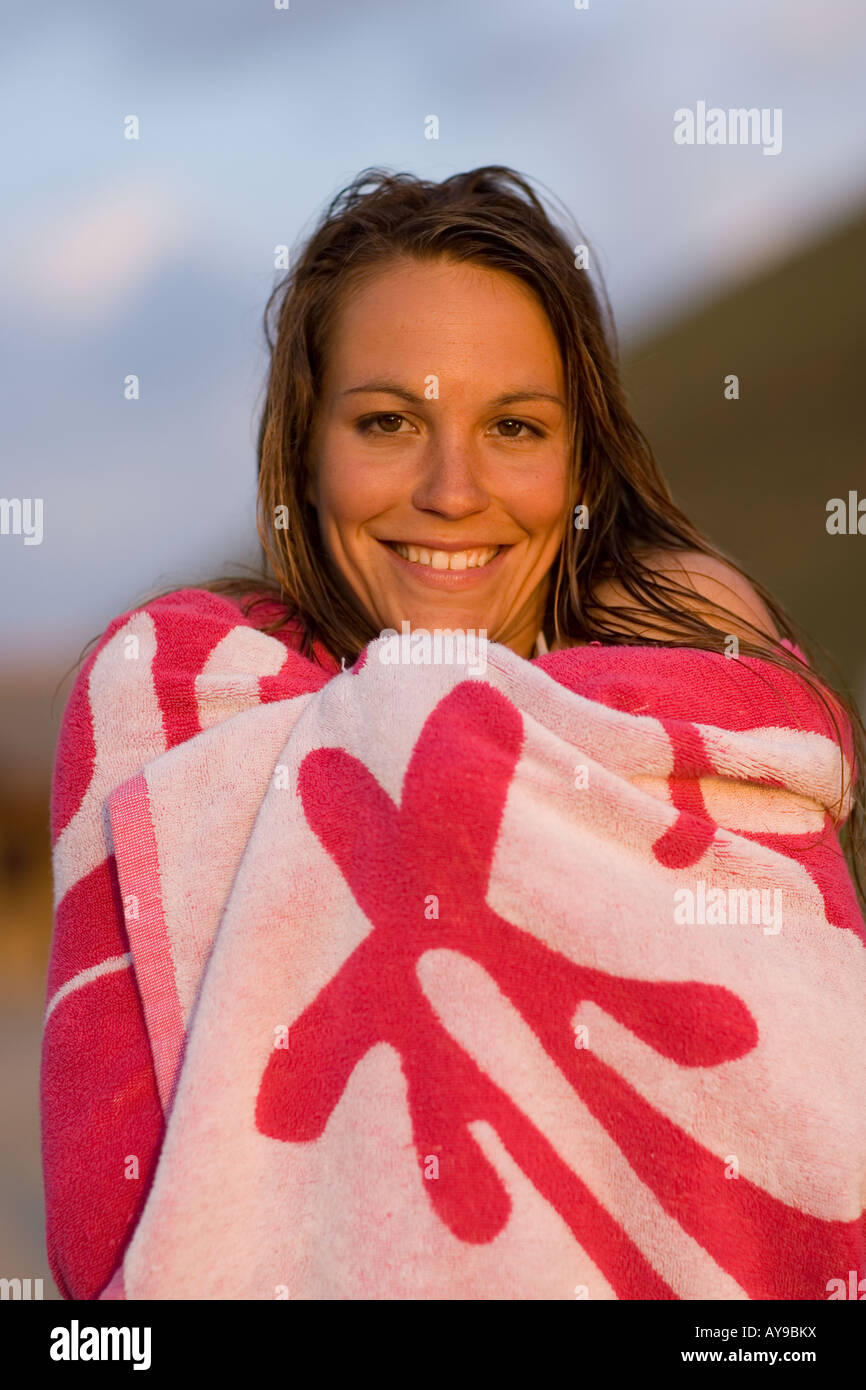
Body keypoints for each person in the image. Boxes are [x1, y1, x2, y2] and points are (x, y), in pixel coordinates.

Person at [42, 166, 866, 1300]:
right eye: (388, 422)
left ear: (579, 469)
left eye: (514, 427)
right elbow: (107, 1225)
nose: (451, 489)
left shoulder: (684, 731)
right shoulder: (188, 703)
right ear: (306, 448)